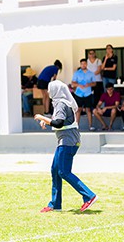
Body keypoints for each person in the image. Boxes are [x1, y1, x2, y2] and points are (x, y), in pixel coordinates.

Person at [34, 80, 98, 213]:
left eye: (50, 89)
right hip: (65, 141)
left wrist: (42, 117)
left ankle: (89, 196)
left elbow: (58, 123)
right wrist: (45, 120)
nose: (49, 92)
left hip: (68, 141)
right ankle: (55, 204)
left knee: (63, 171)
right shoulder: (60, 103)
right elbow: (58, 121)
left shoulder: (61, 104)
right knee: (55, 170)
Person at [71, 59, 96, 131]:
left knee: (88, 110)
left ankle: (90, 126)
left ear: (87, 64)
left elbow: (94, 83)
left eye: (84, 64)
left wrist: (89, 84)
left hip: (88, 93)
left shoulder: (91, 73)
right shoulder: (76, 73)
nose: (83, 65)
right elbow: (73, 82)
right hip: (78, 93)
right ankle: (76, 126)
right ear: (80, 64)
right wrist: (78, 85)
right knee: (78, 110)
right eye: (82, 64)